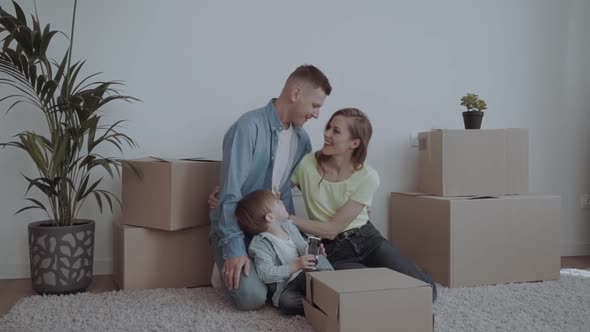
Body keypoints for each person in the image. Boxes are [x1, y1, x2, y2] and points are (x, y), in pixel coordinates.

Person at [209, 65, 332, 310]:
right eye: (315, 106)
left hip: (276, 227)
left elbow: (284, 193)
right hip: (241, 224)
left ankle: (271, 274)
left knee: (327, 275)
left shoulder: (302, 140)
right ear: (296, 94)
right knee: (251, 297)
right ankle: (228, 261)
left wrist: (300, 240)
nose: (317, 115)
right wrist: (234, 249)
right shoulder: (248, 127)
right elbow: (230, 195)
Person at [289, 107, 437, 301]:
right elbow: (278, 189)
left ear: (354, 143)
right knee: (370, 294)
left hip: (368, 240)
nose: (326, 134)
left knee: (427, 291)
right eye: (328, 127)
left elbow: (332, 228)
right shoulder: (306, 165)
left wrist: (289, 218)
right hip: (333, 250)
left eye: (336, 131)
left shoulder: (367, 176)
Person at [235, 189, 333, 315]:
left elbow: (302, 246)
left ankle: (328, 295)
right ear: (270, 217)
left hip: (309, 273)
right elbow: (266, 274)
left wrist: (315, 251)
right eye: (277, 202)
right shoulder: (260, 245)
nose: (281, 201)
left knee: (321, 263)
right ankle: (321, 304)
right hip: (289, 285)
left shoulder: (289, 227)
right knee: (286, 302)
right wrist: (295, 266)